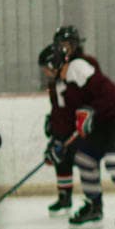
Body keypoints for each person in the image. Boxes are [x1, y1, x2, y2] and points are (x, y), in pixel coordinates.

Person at [49, 26, 115, 228]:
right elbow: (63, 115)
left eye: (67, 45)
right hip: (101, 124)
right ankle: (94, 206)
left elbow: (106, 95)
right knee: (84, 158)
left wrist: (91, 109)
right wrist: (58, 140)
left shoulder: (81, 66)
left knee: (114, 160)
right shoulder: (58, 83)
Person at [38, 43, 76, 216]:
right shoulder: (55, 84)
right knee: (61, 158)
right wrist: (53, 125)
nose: (45, 72)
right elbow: (58, 110)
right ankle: (64, 197)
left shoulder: (69, 81)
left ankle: (94, 203)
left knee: (76, 158)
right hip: (65, 127)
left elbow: (69, 111)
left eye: (46, 68)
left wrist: (60, 136)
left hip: (77, 127)